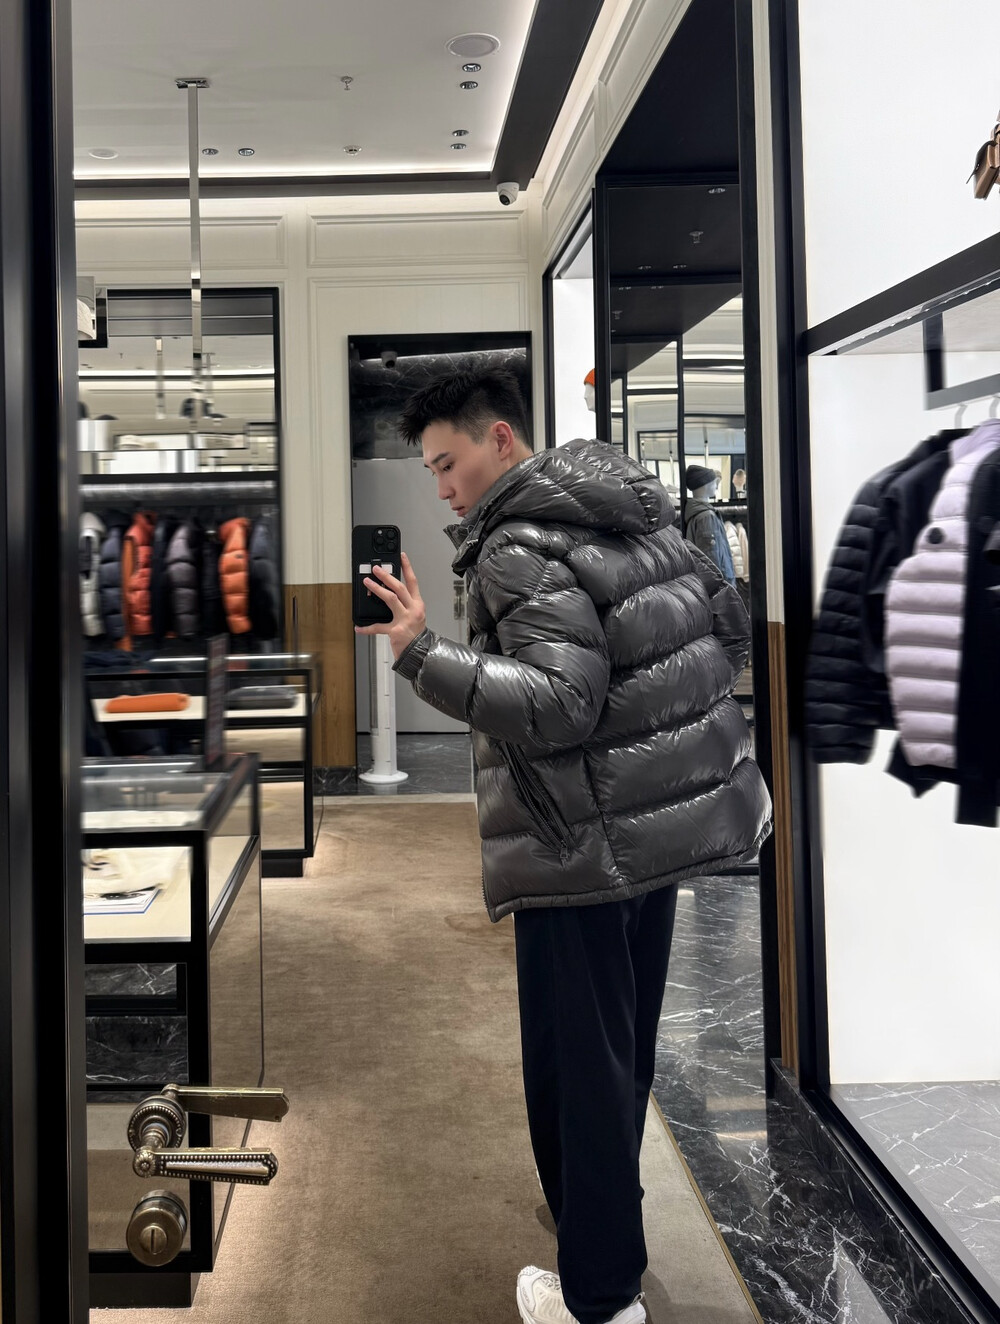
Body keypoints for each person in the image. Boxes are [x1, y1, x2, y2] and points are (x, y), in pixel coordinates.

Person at [354, 367, 771, 1324]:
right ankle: (599, 1230)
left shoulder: (516, 543)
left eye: (447, 464)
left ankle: (601, 1297)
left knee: (574, 1072)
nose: (442, 488)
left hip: (576, 845)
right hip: (653, 831)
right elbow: (729, 630)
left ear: (500, 440)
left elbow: (562, 704)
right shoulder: (632, 505)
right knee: (616, 1060)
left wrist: (421, 652)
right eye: (431, 472)